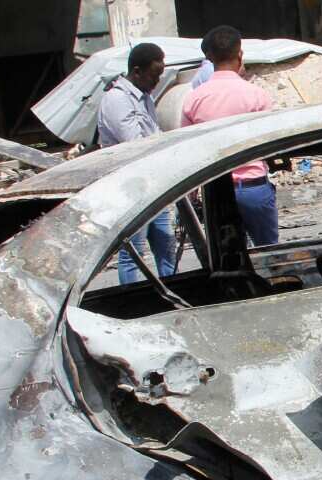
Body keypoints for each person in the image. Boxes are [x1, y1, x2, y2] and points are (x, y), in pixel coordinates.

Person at [182, 26, 278, 247]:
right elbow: (270, 143)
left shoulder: (193, 99)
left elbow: (188, 151)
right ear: (240, 54)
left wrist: (192, 195)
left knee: (228, 259)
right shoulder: (257, 95)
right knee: (271, 253)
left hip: (215, 193)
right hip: (253, 189)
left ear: (209, 57)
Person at [97, 42, 177, 285]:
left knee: (166, 246)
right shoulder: (117, 99)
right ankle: (130, 300)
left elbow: (155, 133)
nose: (157, 81)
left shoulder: (145, 99)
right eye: (154, 75)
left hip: (154, 185)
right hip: (132, 188)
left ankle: (173, 291)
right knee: (134, 253)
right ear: (137, 71)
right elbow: (135, 144)